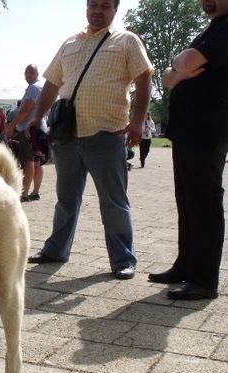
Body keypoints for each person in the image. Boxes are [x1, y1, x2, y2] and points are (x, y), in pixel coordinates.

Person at [26, 0, 153, 281]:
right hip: (67, 135)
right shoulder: (70, 42)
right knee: (65, 199)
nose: (97, 10)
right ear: (86, 7)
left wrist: (138, 120)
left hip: (107, 133)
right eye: (93, 4)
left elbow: (144, 79)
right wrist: (38, 116)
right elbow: (52, 82)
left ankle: (123, 259)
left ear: (115, 10)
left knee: (114, 201)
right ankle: (56, 249)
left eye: (105, 6)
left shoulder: (126, 41)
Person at [150, 0, 228, 300]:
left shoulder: (227, 27)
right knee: (187, 200)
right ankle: (186, 266)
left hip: (206, 130)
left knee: (205, 202)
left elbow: (180, 67)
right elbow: (169, 77)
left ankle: (204, 279)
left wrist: (180, 69)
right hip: (189, 131)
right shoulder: (212, 29)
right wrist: (180, 70)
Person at [5, 64, 46, 202]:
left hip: (29, 129)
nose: (28, 75)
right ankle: (35, 192)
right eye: (26, 72)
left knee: (28, 161)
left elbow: (25, 111)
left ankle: (24, 193)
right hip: (40, 128)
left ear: (37, 73)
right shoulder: (41, 87)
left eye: (31, 72)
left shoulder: (34, 88)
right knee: (37, 161)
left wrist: (11, 125)